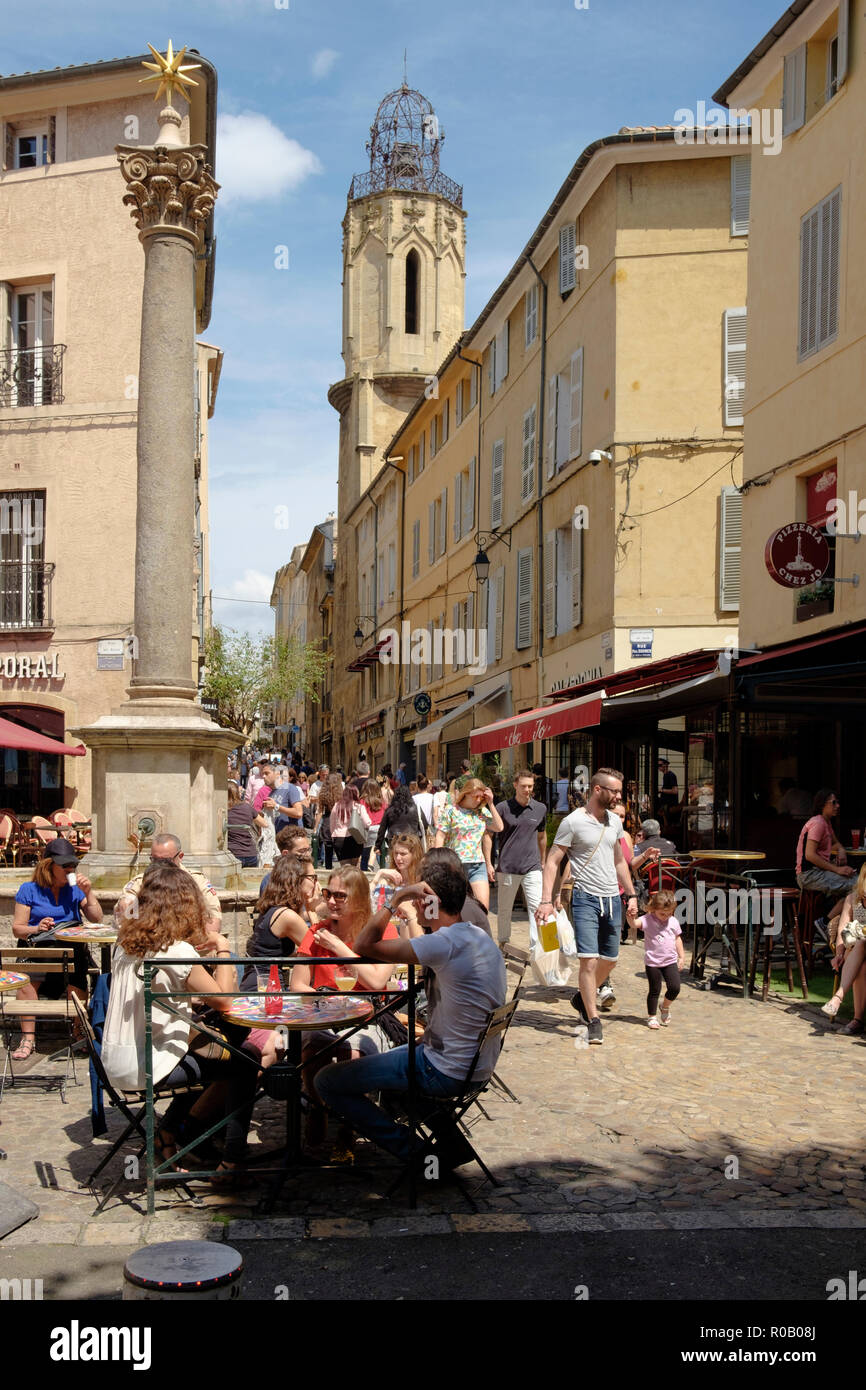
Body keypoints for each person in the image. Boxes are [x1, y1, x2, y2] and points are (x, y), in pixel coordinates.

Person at [314, 858, 507, 1163]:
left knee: (326, 1081)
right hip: (476, 1065)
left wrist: (394, 900)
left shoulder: (444, 943)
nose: (415, 908)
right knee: (393, 1063)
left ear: (431, 902)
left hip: (446, 1070)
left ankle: (419, 1157)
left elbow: (365, 945)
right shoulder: (476, 934)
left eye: (418, 901)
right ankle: (452, 1148)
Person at [101, 861, 260, 1180]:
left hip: (115, 1061)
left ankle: (168, 1133)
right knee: (246, 1061)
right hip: (148, 1066)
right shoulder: (176, 951)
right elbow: (226, 1001)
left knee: (208, 1049)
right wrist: (224, 948)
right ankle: (232, 1159)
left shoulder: (124, 943)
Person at [290, 868, 398, 1155]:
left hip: (368, 1019)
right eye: (328, 894)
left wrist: (338, 946)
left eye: (340, 895)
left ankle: (351, 1124)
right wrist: (325, 1004)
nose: (332, 901)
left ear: (360, 899)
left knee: (353, 1053)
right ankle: (317, 1106)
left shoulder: (382, 931)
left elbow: (376, 981)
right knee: (313, 1050)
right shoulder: (316, 932)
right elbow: (298, 985)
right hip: (325, 1016)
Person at [536, 767, 638, 1045]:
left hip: (612, 899)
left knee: (611, 959)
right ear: (597, 790)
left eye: (619, 790)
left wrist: (631, 894)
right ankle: (593, 1019)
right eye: (614, 790)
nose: (619, 795)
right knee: (589, 960)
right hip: (585, 898)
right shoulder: (573, 822)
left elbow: (619, 861)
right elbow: (553, 861)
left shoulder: (614, 823)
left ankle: (582, 998)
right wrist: (547, 900)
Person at [11, 839, 104, 1060]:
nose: (70, 870)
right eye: (64, 866)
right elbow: (17, 929)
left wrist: (88, 893)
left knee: (78, 968)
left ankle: (78, 1031)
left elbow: (97, 917)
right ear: (48, 865)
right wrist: (36, 927)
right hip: (39, 948)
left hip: (69, 951)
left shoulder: (74, 890)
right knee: (29, 975)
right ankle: (28, 1038)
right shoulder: (29, 889)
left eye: (72, 865)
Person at [117, 833, 222, 930]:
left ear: (180, 857)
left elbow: (213, 918)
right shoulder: (140, 882)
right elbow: (125, 909)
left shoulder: (197, 881)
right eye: (155, 860)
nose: (160, 865)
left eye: (166, 860)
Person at [494, 767, 547, 948]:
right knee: (504, 910)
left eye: (530, 786)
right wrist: (488, 863)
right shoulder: (502, 808)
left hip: (532, 867)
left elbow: (542, 836)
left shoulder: (540, 808)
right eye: (524, 786)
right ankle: (503, 943)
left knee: (538, 908)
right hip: (507, 867)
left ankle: (541, 948)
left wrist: (544, 860)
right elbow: (488, 835)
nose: (527, 790)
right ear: (515, 785)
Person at [434, 778, 503, 912]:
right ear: (465, 793)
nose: (478, 800)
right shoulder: (451, 810)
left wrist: (491, 803)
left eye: (480, 797)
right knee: (455, 910)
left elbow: (499, 827)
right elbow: (440, 836)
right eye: (475, 796)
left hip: (477, 865)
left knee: (482, 910)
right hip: (455, 865)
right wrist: (438, 862)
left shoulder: (482, 812)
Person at [795, 788, 855, 927]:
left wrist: (841, 850)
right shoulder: (818, 823)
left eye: (837, 802)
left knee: (857, 885)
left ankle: (831, 925)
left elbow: (835, 843)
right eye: (833, 803)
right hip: (809, 875)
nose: (837, 806)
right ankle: (825, 923)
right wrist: (837, 870)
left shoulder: (826, 822)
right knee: (858, 886)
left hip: (819, 872)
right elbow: (810, 855)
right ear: (823, 805)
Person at [628, 889, 684, 1029]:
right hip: (653, 962)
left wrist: (681, 956)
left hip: (670, 960)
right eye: (662, 914)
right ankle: (652, 1016)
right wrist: (630, 917)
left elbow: (678, 938)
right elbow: (634, 924)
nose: (665, 917)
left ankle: (664, 1006)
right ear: (654, 909)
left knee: (675, 987)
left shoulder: (673, 922)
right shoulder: (647, 919)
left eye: (668, 913)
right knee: (655, 989)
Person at [821, 865, 866, 1034]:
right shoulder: (852, 899)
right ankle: (857, 1020)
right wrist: (838, 954)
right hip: (854, 951)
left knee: (862, 943)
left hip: (858, 949)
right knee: (861, 959)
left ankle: (838, 998)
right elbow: (842, 930)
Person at [376, 784, 429, 860]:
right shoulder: (416, 808)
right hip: (411, 840)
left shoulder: (390, 810)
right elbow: (425, 825)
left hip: (394, 840)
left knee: (396, 861)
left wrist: (378, 845)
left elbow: (382, 829)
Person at [258, 824, 315, 896]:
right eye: (302, 851)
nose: (308, 855)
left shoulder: (309, 876)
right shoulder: (271, 882)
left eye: (308, 849)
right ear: (285, 854)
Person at [227, 779, 265, 868]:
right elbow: (264, 824)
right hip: (251, 855)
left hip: (233, 854)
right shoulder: (247, 807)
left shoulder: (224, 810)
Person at [330, 783, 370, 866]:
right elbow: (367, 823)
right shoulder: (359, 807)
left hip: (338, 838)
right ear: (356, 793)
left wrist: (333, 835)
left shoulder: (336, 806)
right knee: (354, 867)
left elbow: (332, 824)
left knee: (344, 867)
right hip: (355, 837)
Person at [315, 774, 344, 870]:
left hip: (327, 823)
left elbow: (319, 812)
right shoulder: (342, 794)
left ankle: (328, 873)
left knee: (328, 852)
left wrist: (315, 827)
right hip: (339, 822)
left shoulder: (322, 794)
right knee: (341, 853)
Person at [359, 777, 386, 872]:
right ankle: (383, 870)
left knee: (365, 854)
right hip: (380, 828)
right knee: (379, 852)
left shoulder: (362, 801)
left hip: (368, 829)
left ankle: (364, 873)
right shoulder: (381, 801)